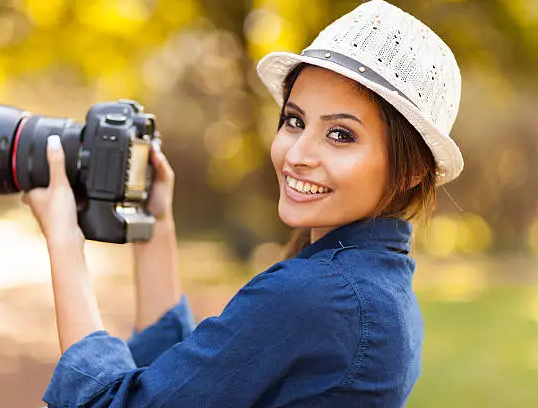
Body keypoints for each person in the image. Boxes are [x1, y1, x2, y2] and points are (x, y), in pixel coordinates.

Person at [24, 1, 464, 406]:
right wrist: (155, 228)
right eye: (294, 121)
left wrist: (64, 239)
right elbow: (188, 384)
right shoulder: (378, 286)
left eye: (340, 134)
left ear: (411, 171)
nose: (295, 154)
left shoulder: (318, 295)